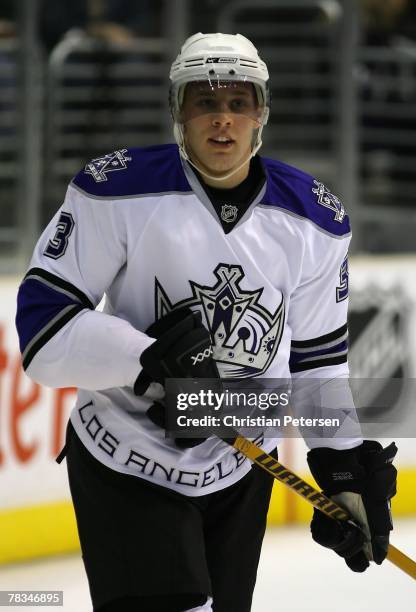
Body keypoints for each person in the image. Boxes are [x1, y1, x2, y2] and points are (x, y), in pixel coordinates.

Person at [16, 33, 397, 612]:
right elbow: (43, 335)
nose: (223, 120)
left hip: (242, 467)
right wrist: (147, 359)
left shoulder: (316, 221)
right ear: (178, 112)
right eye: (204, 102)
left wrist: (342, 467)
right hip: (127, 458)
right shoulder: (114, 191)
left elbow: (318, 364)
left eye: (238, 103)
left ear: (261, 114)